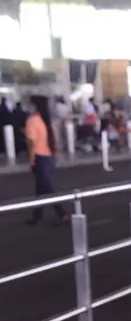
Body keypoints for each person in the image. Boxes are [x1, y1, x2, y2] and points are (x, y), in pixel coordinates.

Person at [24, 95, 67, 225]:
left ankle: (62, 213)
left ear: (34, 105)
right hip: (49, 156)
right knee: (40, 188)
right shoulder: (47, 120)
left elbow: (31, 143)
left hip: (39, 157)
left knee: (47, 187)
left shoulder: (32, 120)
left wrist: (31, 160)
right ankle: (37, 215)